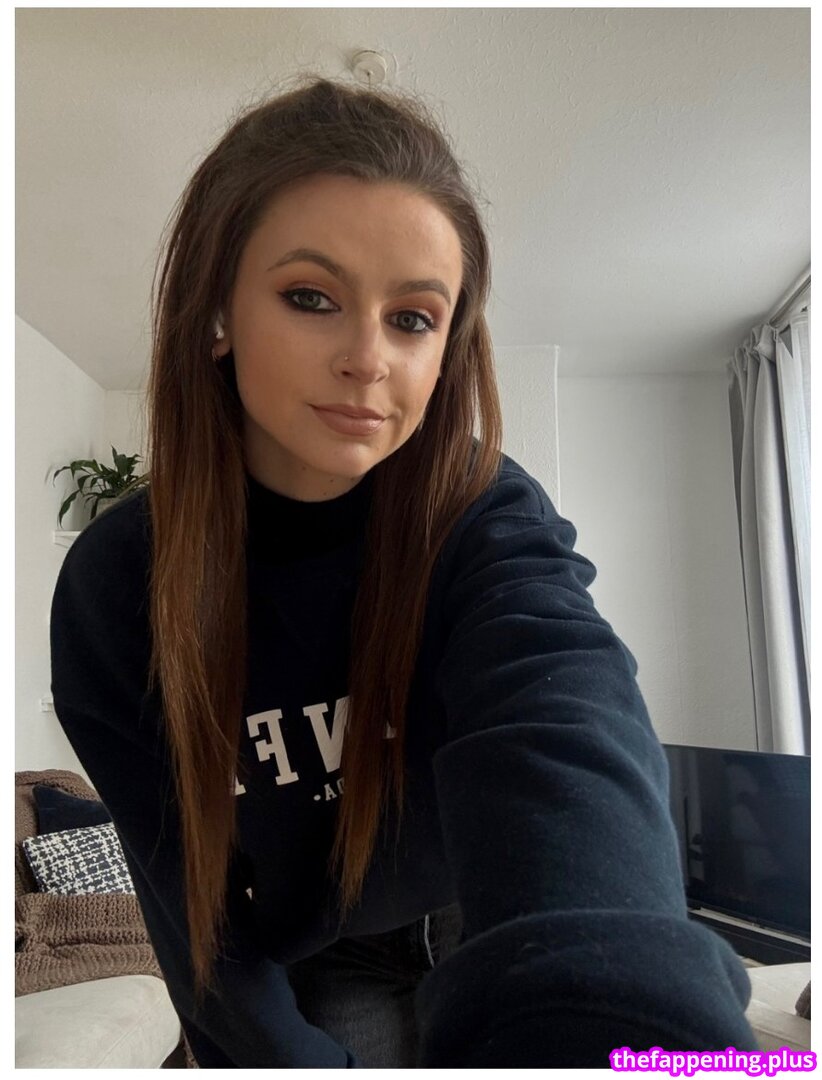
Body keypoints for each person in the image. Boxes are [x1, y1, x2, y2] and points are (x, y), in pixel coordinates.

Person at [49, 74, 756, 1068]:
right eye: (311, 298)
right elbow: (183, 894)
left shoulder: (480, 509)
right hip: (322, 954)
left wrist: (621, 1009)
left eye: (414, 318)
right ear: (217, 311)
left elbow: (567, 718)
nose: (368, 359)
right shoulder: (117, 584)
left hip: (488, 915)